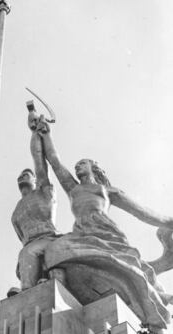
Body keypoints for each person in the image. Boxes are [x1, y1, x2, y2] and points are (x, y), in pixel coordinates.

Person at [34, 116, 173, 332]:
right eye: (77, 164)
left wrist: (169, 222)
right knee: (54, 250)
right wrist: (44, 134)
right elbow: (53, 159)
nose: (78, 165)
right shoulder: (73, 189)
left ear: (94, 168)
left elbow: (142, 213)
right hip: (81, 234)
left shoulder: (109, 191)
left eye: (83, 163)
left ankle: (152, 303)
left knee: (130, 270)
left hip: (107, 235)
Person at [11, 111, 62, 292]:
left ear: (34, 181)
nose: (23, 176)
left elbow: (39, 161)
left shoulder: (43, 191)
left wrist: (35, 132)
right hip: (30, 246)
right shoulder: (16, 212)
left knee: (28, 253)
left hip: (50, 238)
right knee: (27, 252)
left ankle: (29, 290)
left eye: (28, 174)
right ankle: (32, 286)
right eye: (20, 175)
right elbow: (21, 237)